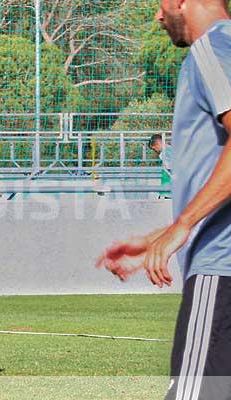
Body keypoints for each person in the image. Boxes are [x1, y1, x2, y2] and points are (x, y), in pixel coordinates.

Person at [96, 1, 231, 399]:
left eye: (160, 4)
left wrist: (182, 226)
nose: (158, 16)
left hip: (221, 270)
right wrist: (163, 234)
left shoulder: (210, 50)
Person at [148, 134, 172, 198]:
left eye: (155, 148)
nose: (155, 150)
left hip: (168, 190)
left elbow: (170, 170)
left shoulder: (164, 154)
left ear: (158, 144)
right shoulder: (172, 149)